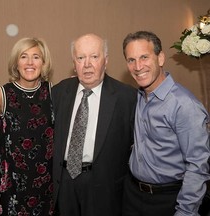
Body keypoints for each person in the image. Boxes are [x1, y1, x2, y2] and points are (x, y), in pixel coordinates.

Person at [122, 31, 210, 216]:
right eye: (131, 60)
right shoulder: (136, 97)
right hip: (132, 196)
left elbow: (198, 166)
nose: (138, 66)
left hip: (168, 200)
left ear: (160, 58)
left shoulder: (185, 105)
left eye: (144, 57)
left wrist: (186, 212)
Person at [52, 33, 137, 216]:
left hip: (104, 187)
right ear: (74, 63)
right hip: (64, 182)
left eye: (94, 57)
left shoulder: (127, 97)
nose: (87, 64)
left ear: (105, 61)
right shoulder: (59, 92)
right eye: (80, 58)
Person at [0, 37, 54, 216]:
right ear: (16, 63)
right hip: (12, 187)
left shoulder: (53, 93)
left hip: (45, 186)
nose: (29, 62)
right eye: (23, 56)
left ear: (44, 63)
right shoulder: (2, 95)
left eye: (36, 57)